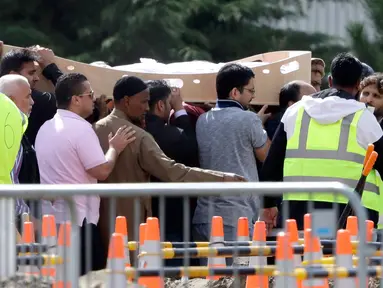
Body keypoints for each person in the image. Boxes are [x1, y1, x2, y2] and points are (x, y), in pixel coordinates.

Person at [93, 76, 246, 266]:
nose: (145, 108)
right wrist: (222, 178)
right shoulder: (138, 136)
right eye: (142, 102)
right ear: (126, 101)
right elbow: (174, 172)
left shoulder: (95, 129)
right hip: (131, 227)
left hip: (98, 225)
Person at [261, 52, 383, 232]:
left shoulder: (295, 112)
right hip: (349, 212)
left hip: (299, 210)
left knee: (304, 259)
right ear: (358, 84)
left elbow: (273, 162)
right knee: (342, 260)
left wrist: (268, 203)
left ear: (330, 80)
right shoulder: (364, 119)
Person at [35, 73, 136, 275]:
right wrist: (114, 148)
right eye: (90, 94)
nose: (94, 98)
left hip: (52, 220)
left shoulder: (45, 127)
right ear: (76, 99)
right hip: (79, 222)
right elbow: (102, 170)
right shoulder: (81, 129)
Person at [193, 63, 270, 266]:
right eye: (251, 90)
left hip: (203, 216)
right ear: (235, 92)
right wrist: (258, 124)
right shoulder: (248, 119)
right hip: (236, 218)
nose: (253, 96)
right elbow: (267, 155)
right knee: (238, 279)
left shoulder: (202, 119)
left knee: (209, 280)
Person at [145, 80, 199, 266]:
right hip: (172, 211)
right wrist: (180, 110)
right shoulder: (169, 134)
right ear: (161, 105)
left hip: (143, 211)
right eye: (169, 103)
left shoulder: (131, 128)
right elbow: (192, 148)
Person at [0, 46, 63, 145]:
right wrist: (50, 66)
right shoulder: (40, 100)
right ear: (13, 75)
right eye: (31, 73)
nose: (37, 78)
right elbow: (75, 97)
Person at [0, 75, 35, 229]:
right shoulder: (7, 134)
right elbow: (7, 178)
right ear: (10, 100)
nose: (33, 101)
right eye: (28, 96)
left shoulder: (16, 130)